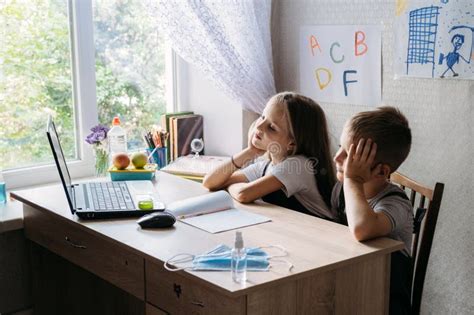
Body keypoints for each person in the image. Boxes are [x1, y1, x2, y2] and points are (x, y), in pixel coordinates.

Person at [202, 92, 337, 220]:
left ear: (292, 143)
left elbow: (244, 194)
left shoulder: (298, 165)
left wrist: (228, 186)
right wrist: (250, 151)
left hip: (323, 233)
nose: (259, 126)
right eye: (262, 117)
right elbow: (210, 182)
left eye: (271, 127)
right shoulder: (265, 166)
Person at [331, 106, 413, 314]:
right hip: (350, 288)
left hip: (384, 302)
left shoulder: (396, 204)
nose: (337, 157)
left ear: (381, 171)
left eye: (348, 155)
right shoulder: (341, 190)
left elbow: (361, 228)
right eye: (339, 147)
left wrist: (353, 179)